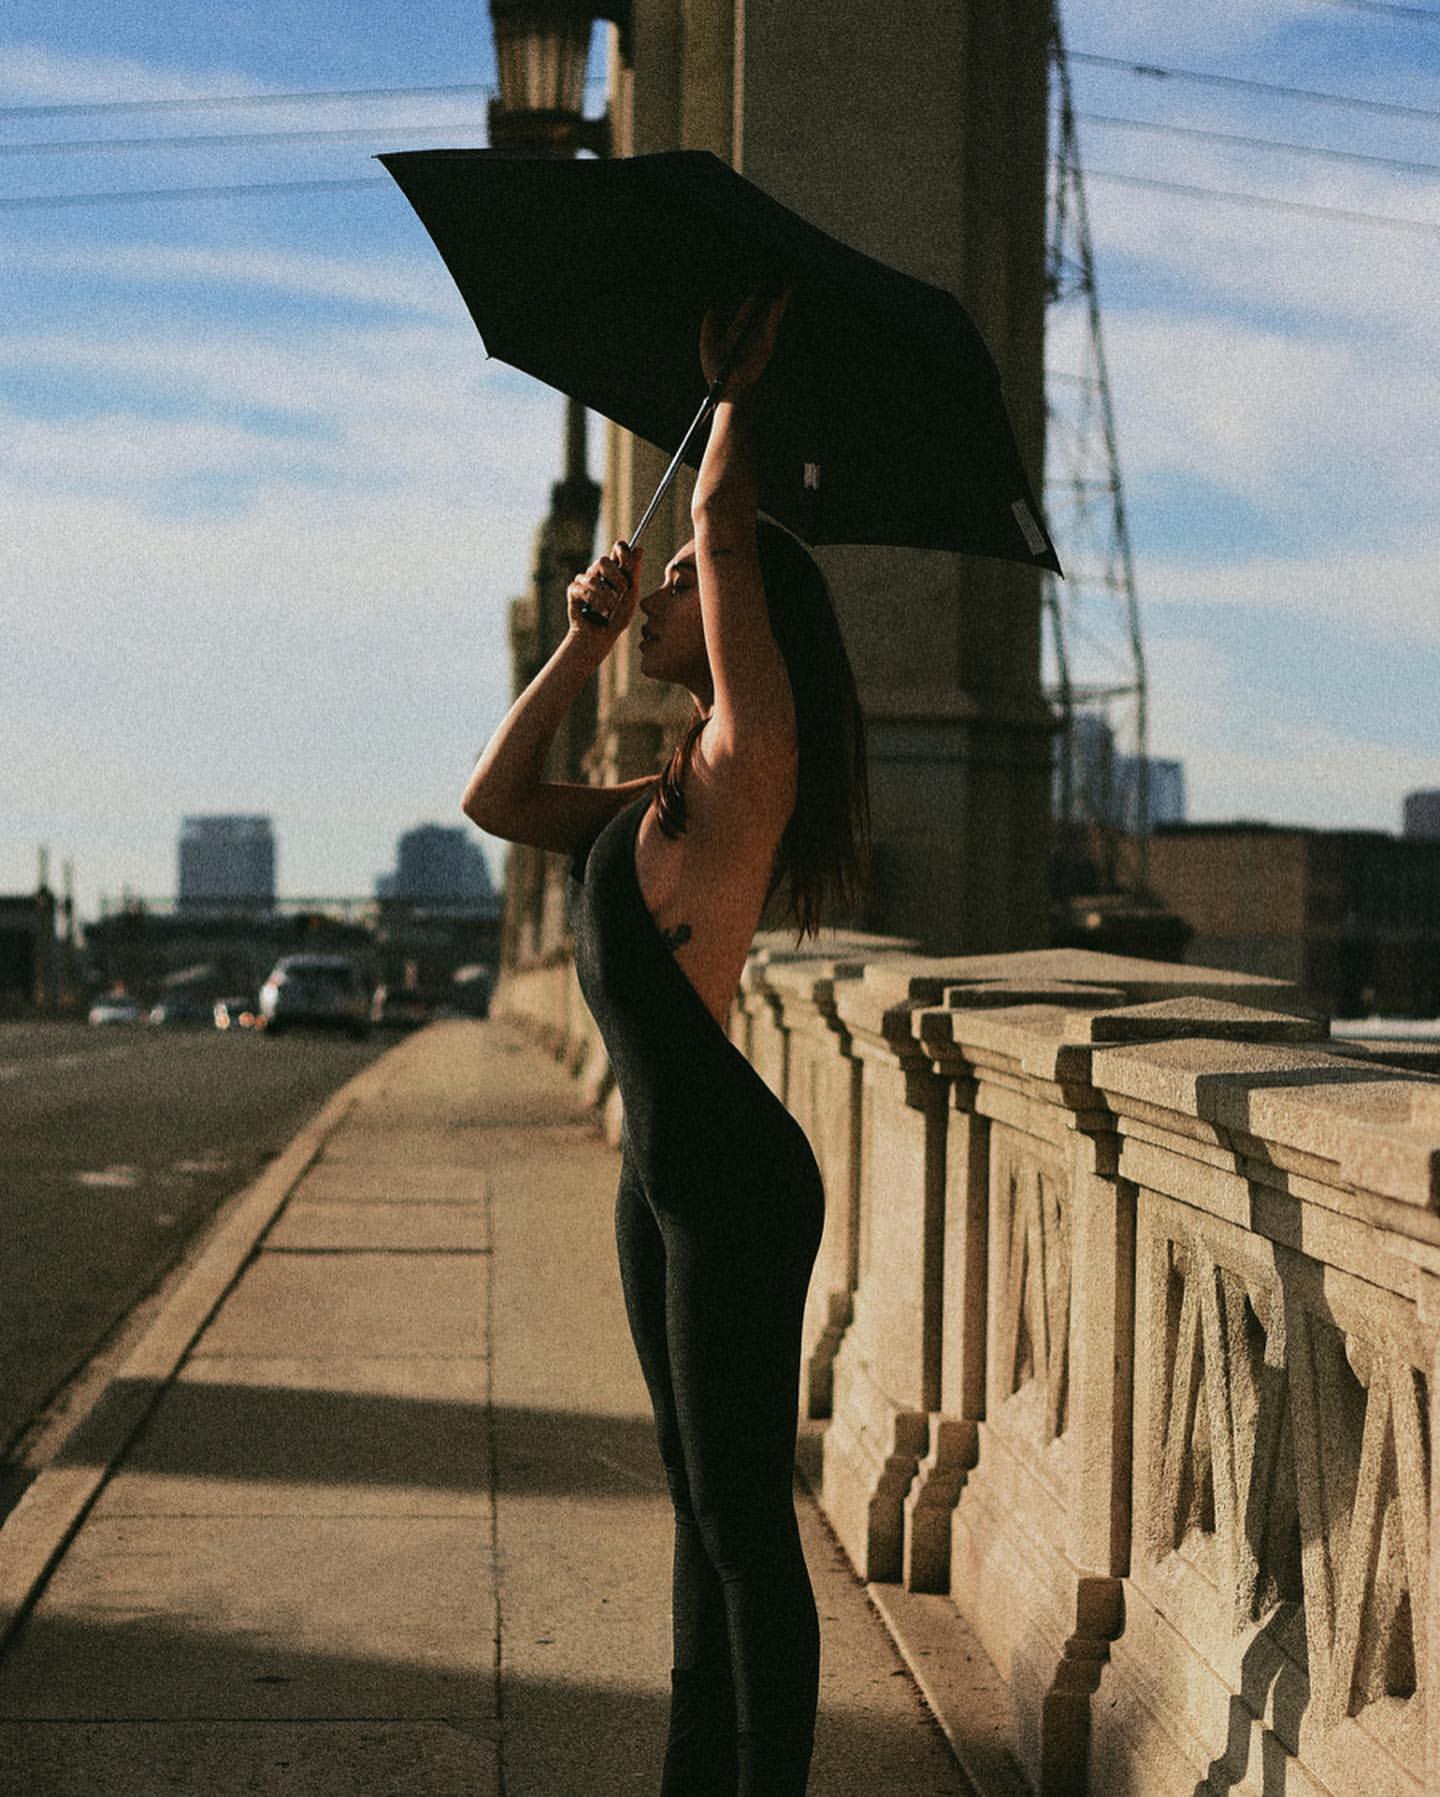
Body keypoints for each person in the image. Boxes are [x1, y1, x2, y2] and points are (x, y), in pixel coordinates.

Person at [462, 294, 868, 1797]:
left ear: (746, 619)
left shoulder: (751, 762)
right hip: (665, 1182)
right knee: (697, 1503)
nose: (669, 592)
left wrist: (732, 401)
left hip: (735, 1188)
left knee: (748, 1519)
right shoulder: (662, 794)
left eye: (688, 584)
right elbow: (497, 800)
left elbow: (729, 520)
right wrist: (581, 644)